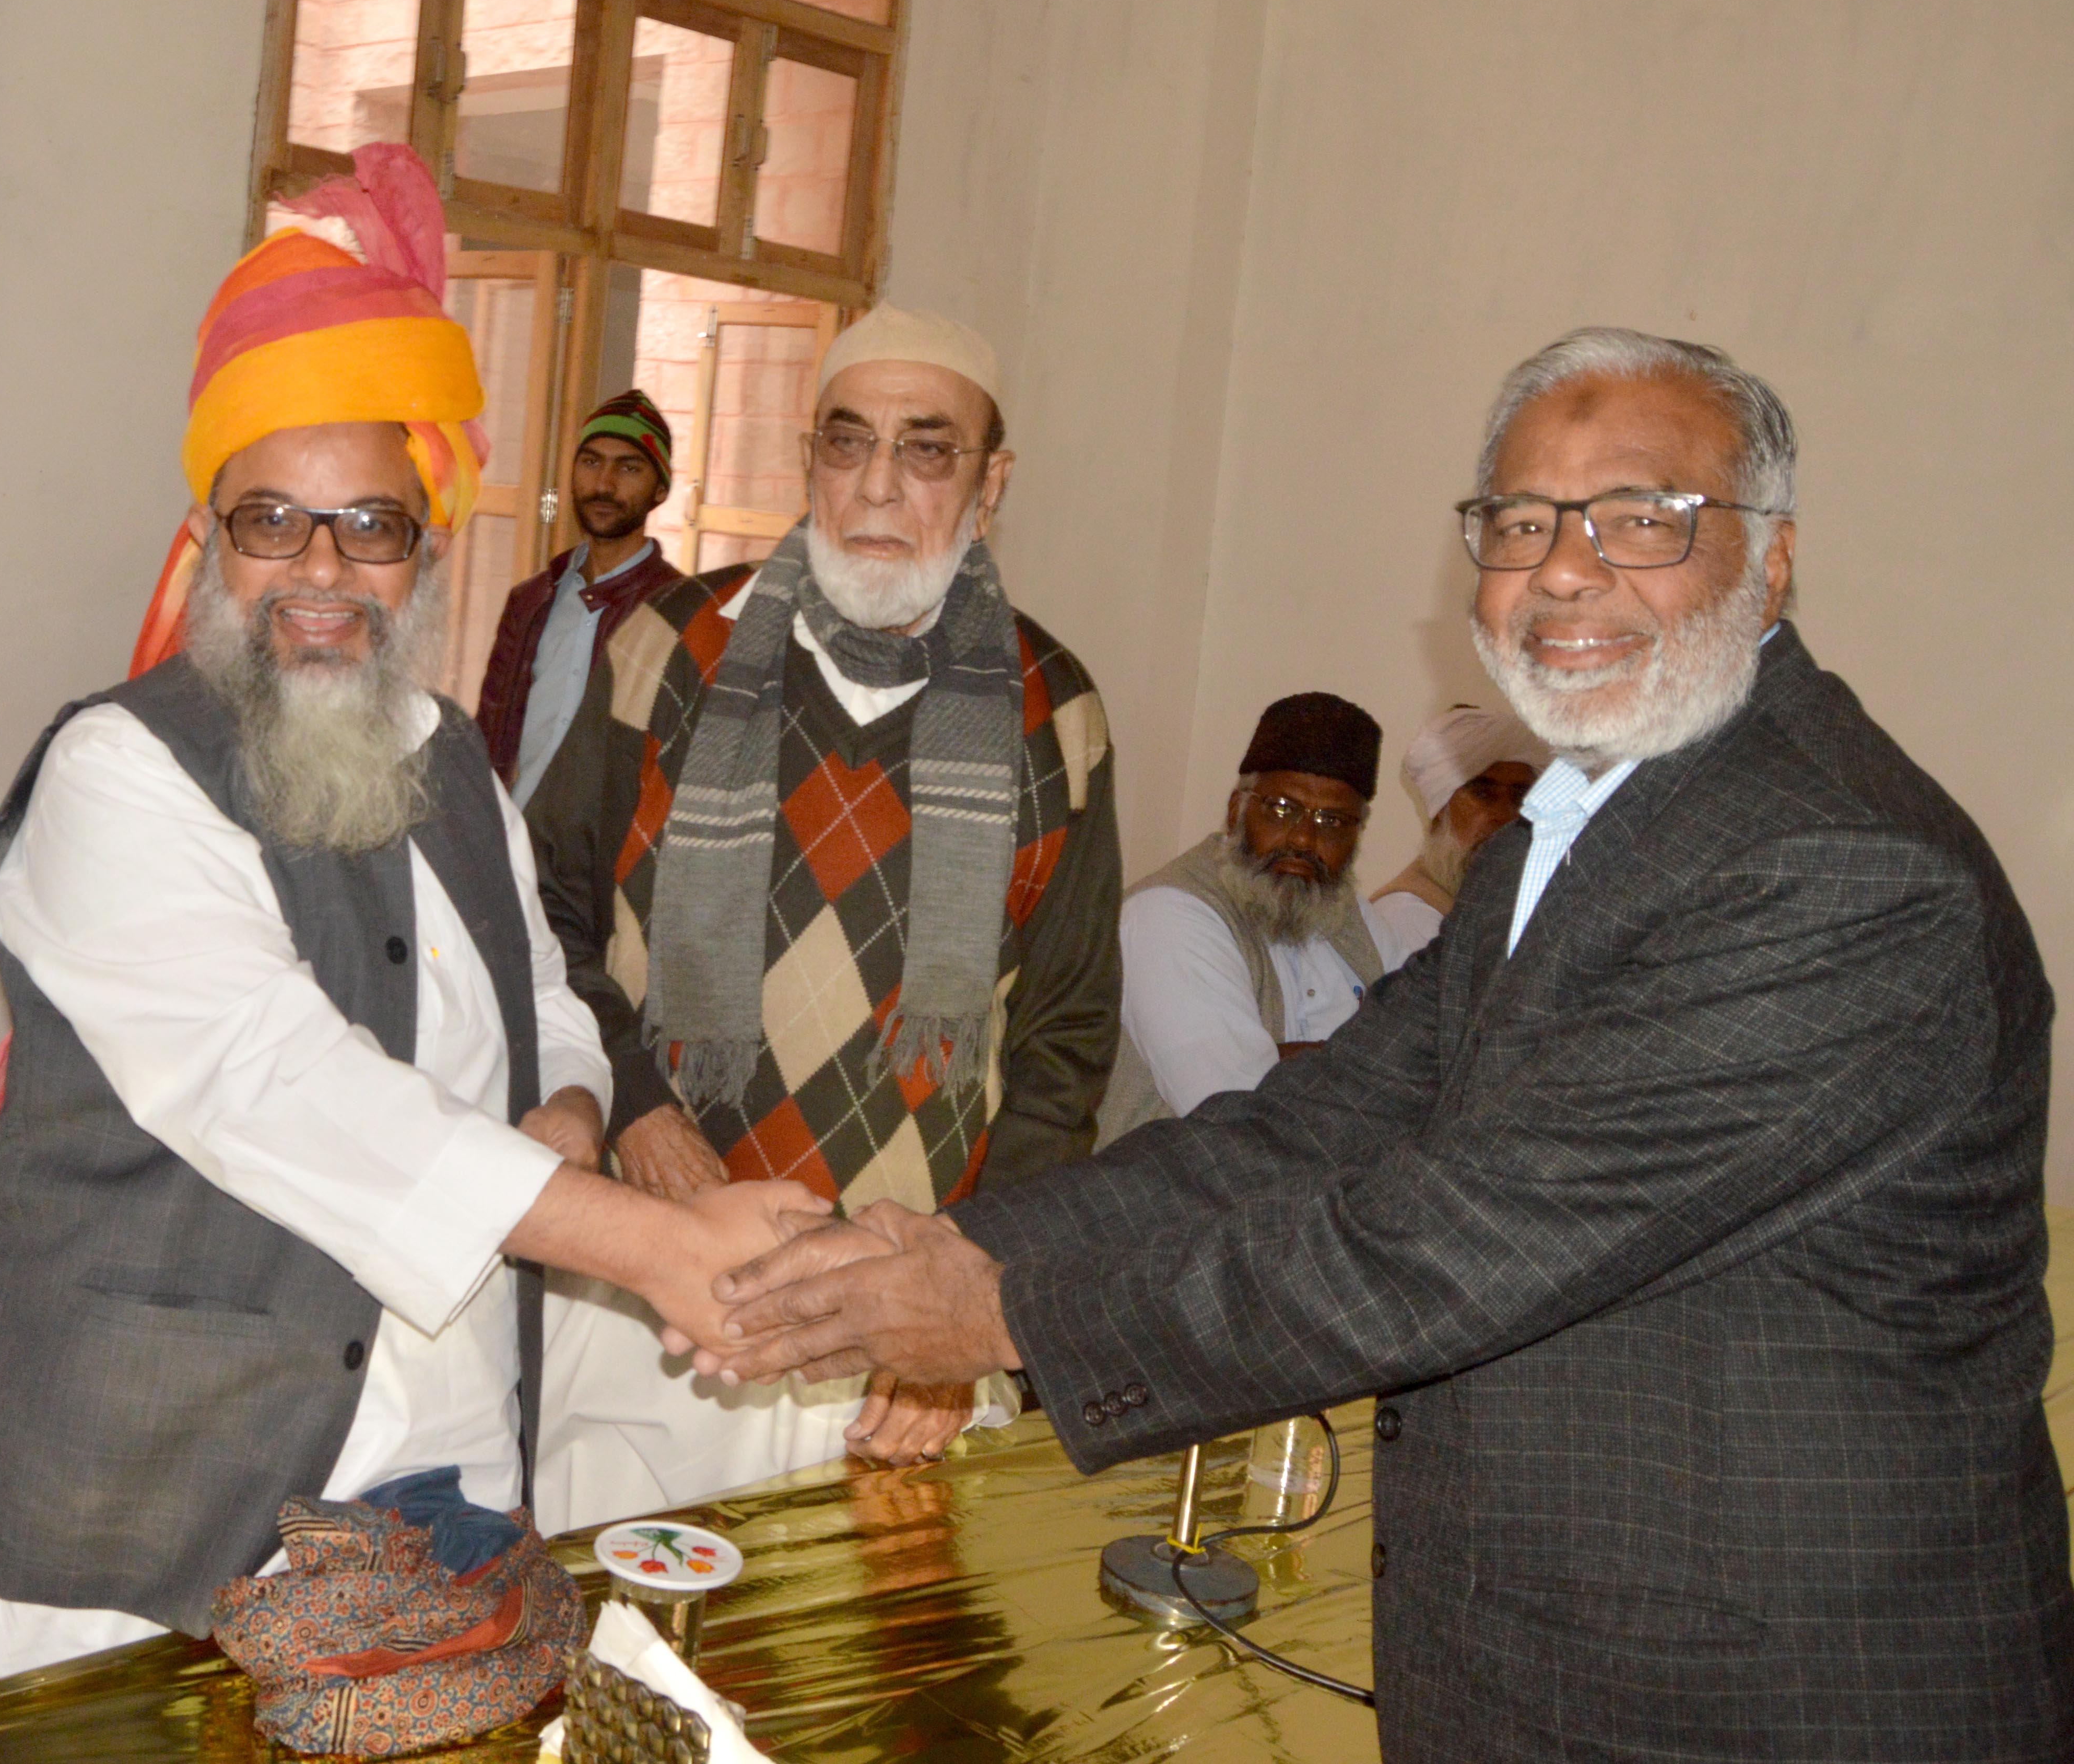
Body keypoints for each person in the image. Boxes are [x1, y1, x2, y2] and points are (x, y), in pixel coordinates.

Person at [690, 327, 2071, 1761]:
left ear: (1770, 561)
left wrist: (1005, 1320)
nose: (1564, 569)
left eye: (1638, 518)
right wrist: (966, 1246)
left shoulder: (1838, 867)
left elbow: (1452, 1242)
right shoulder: (1583, 824)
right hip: (1553, 1662)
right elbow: (1320, 1121)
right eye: (1521, 523)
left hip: (1763, 1700)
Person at [0, 145, 821, 1686]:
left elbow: (545, 995)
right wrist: (652, 1242)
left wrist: (563, 1106)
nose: (321, 571)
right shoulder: (115, 772)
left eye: (371, 526)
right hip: (163, 1527)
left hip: (436, 1483)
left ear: (429, 546)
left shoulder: (449, 759)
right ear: (208, 535)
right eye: (272, 521)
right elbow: (281, 1086)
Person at [520, 304, 1121, 1530]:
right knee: (601, 1622)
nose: (878, 486)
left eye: (927, 449)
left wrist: (967, 1299)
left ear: (990, 483)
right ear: (808, 459)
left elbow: (1061, 1045)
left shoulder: (1054, 712)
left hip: (886, 1331)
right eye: (847, 443)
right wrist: (635, 1106)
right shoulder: (664, 650)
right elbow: (537, 910)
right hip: (643, 1287)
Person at [1091, 692, 1399, 1144]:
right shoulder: (1168, 913)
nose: (1304, 839)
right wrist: (1371, 1067)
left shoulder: (1354, 916)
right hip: (1179, 1184)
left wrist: (1291, 1061)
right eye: (1282, 809)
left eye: (1332, 822)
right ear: (1236, 809)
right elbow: (1237, 1112)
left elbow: (1421, 1052)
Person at [475, 389, 682, 805]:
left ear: (660, 489)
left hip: (608, 843)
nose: (604, 485)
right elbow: (490, 732)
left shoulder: (678, 611)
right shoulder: (531, 601)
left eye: (629, 468)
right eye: (591, 463)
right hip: (511, 833)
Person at [1364, 704, 1543, 959]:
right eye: (1483, 794)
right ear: (1441, 808)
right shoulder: (1409, 915)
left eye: (1519, 798)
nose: (1505, 817)